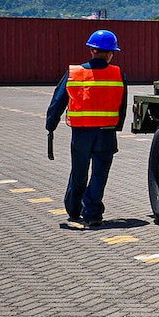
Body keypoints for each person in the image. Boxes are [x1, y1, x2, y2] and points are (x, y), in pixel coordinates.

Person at [46, 29, 128, 228]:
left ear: (91, 50)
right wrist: (117, 126)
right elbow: (122, 105)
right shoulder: (118, 74)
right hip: (106, 133)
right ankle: (93, 213)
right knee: (100, 173)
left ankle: (74, 210)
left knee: (79, 171)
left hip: (82, 133)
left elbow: (58, 100)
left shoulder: (75, 73)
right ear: (111, 53)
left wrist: (51, 123)